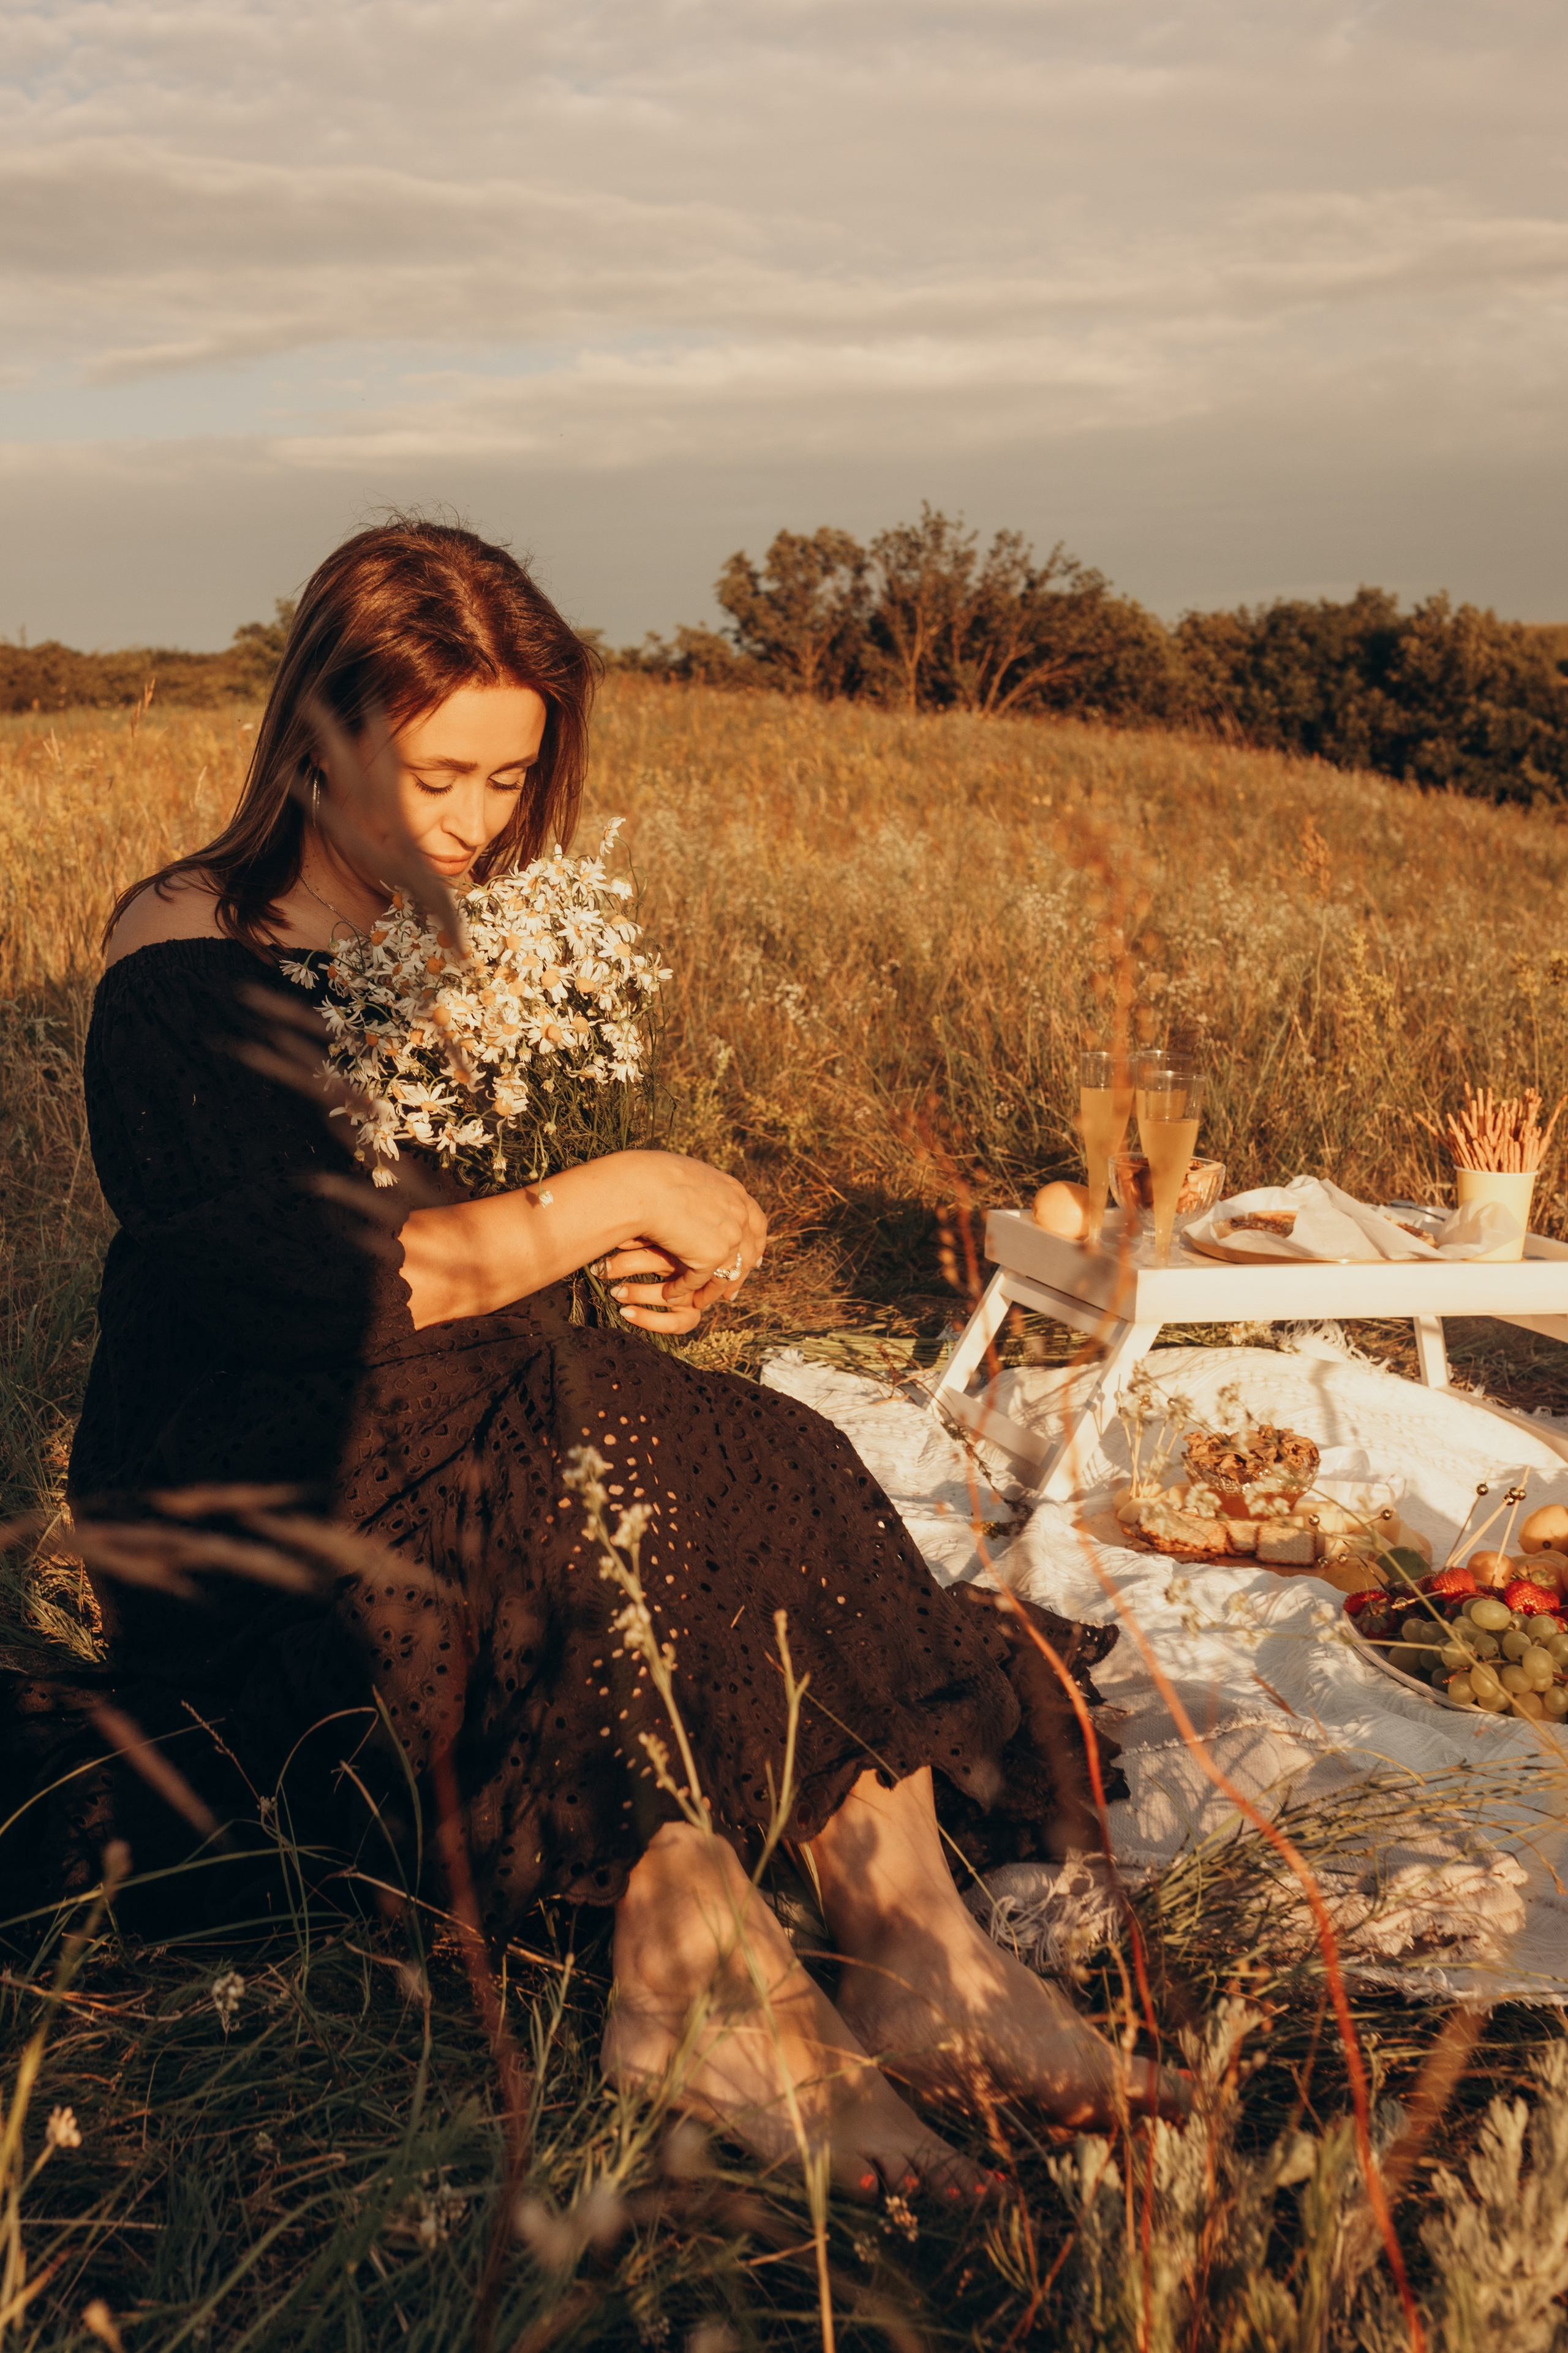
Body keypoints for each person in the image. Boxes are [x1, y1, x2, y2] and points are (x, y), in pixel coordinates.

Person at [57, 518, 1177, 2198]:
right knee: (579, 1441)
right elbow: (341, 1290)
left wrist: (636, 1266)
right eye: (443, 772)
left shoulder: (454, 937)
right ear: (315, 732)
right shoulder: (183, 964)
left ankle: (919, 1944)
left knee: (757, 1440)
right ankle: (694, 1956)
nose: (478, 820)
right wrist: (605, 1196)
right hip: (256, 1490)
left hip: (472, 1420)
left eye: (512, 780)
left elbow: (496, 1253)